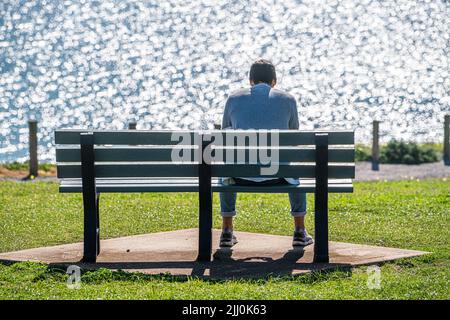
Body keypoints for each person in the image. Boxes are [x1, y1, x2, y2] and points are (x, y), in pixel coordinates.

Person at [219, 59, 314, 248]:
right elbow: (293, 136)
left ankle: (227, 231)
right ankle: (300, 231)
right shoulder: (288, 99)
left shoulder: (234, 98)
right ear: (274, 81)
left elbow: (224, 134)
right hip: (279, 175)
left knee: (227, 167)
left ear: (250, 80)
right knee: (293, 166)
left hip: (240, 175)